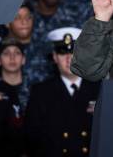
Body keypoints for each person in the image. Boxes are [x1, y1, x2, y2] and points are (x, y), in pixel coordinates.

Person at [25, 27, 100, 157]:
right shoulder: (41, 93)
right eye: (62, 53)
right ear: (54, 57)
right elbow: (32, 140)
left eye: (74, 52)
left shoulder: (99, 90)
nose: (68, 58)